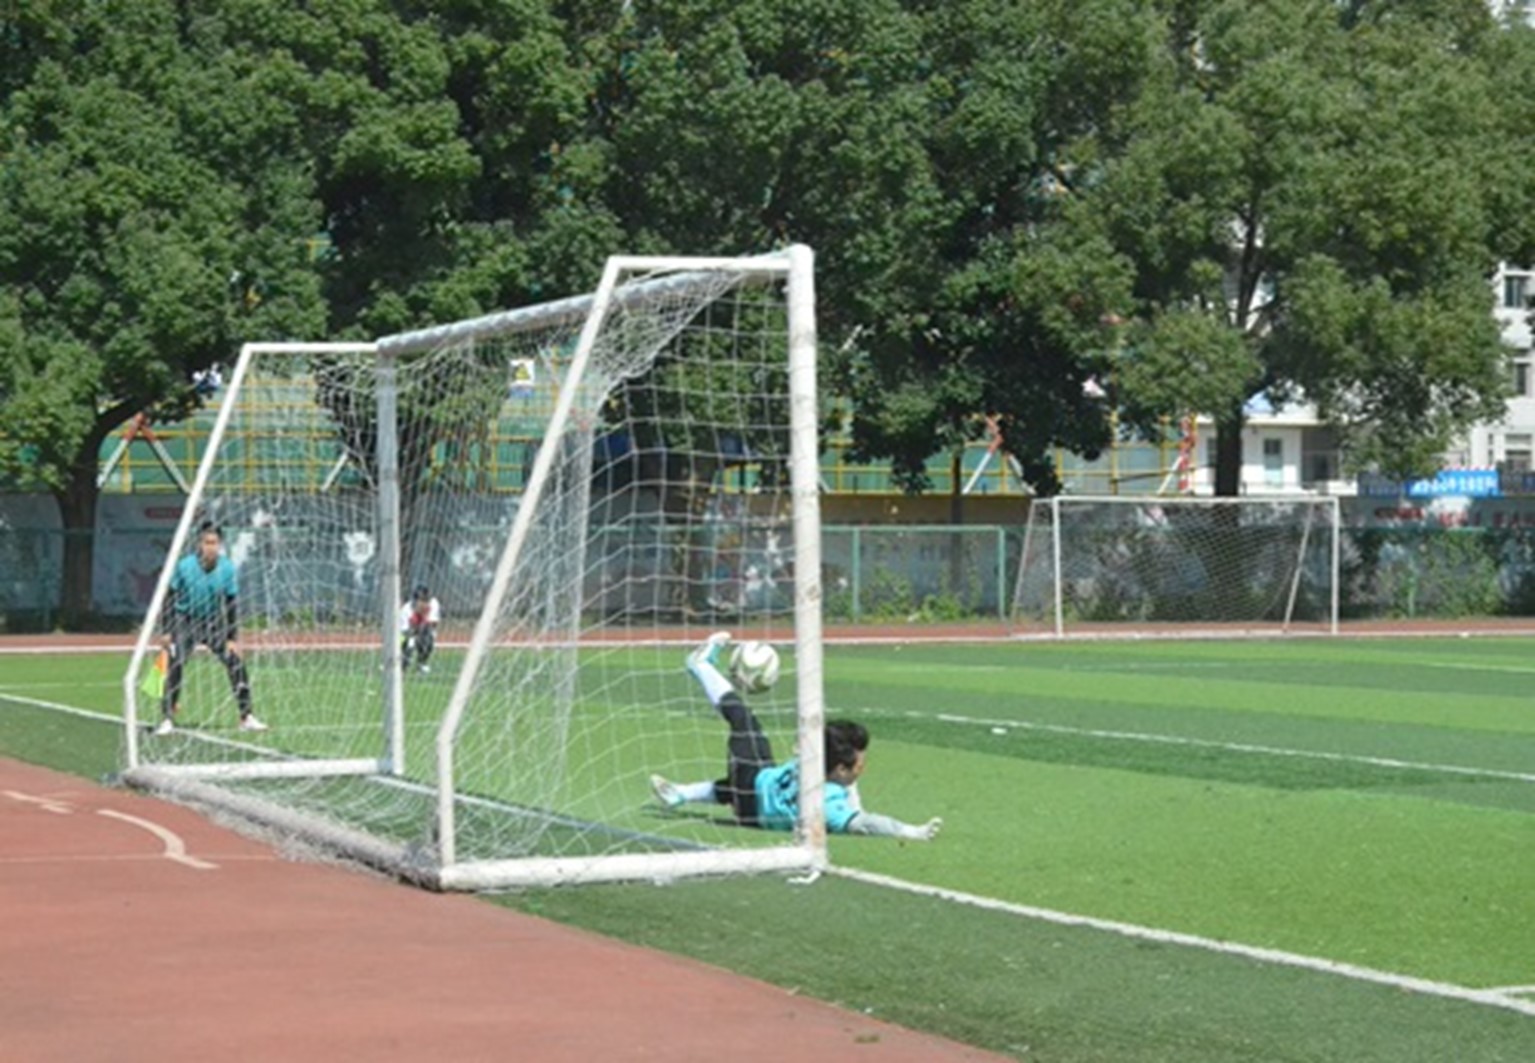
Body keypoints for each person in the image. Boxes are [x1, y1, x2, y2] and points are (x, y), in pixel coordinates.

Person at [649, 632, 942, 841]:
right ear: (841, 769)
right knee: (744, 735)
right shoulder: (829, 803)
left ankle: (702, 667)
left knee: (744, 721)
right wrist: (909, 831)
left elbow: (854, 801)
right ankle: (680, 793)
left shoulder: (816, 759)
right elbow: (866, 822)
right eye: (859, 763)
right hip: (753, 807)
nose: (863, 767)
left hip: (754, 787)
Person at [155, 521, 265, 736]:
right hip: (185, 620)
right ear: (200, 544)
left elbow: (231, 603)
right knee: (176, 663)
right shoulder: (184, 566)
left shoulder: (227, 568)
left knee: (235, 663)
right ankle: (167, 718)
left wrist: (232, 638)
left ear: (220, 544)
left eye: (214, 543)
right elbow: (169, 598)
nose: (210, 547)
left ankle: (247, 716)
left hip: (213, 622)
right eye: (207, 542)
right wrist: (167, 630)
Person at [399, 584, 441, 674]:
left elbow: (433, 624)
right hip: (407, 634)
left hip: (423, 631)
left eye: (427, 600)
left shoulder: (434, 604)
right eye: (422, 600)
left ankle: (421, 663)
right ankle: (400, 660)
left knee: (428, 637)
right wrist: (414, 624)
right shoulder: (406, 610)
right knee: (408, 643)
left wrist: (423, 617)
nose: (425, 604)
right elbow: (405, 631)